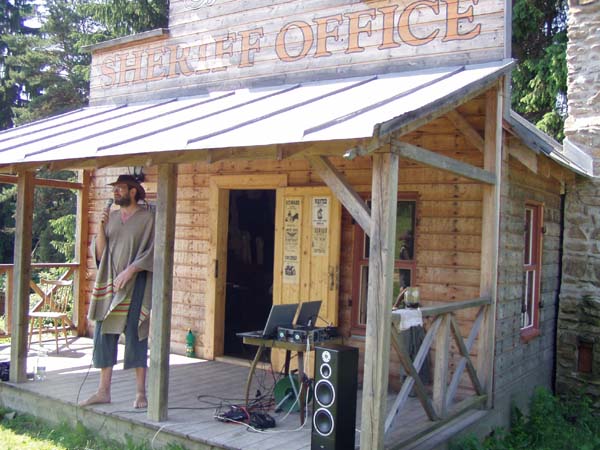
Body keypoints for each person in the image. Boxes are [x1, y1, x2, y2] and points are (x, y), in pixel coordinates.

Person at [79, 174, 154, 409]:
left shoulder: (148, 218)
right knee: (103, 332)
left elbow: (153, 251)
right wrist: (101, 229)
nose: (116, 192)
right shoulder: (111, 218)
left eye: (120, 188)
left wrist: (130, 271)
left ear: (133, 191)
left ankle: (141, 393)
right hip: (110, 283)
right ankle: (103, 391)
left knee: (136, 333)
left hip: (136, 283)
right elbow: (101, 254)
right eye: (115, 189)